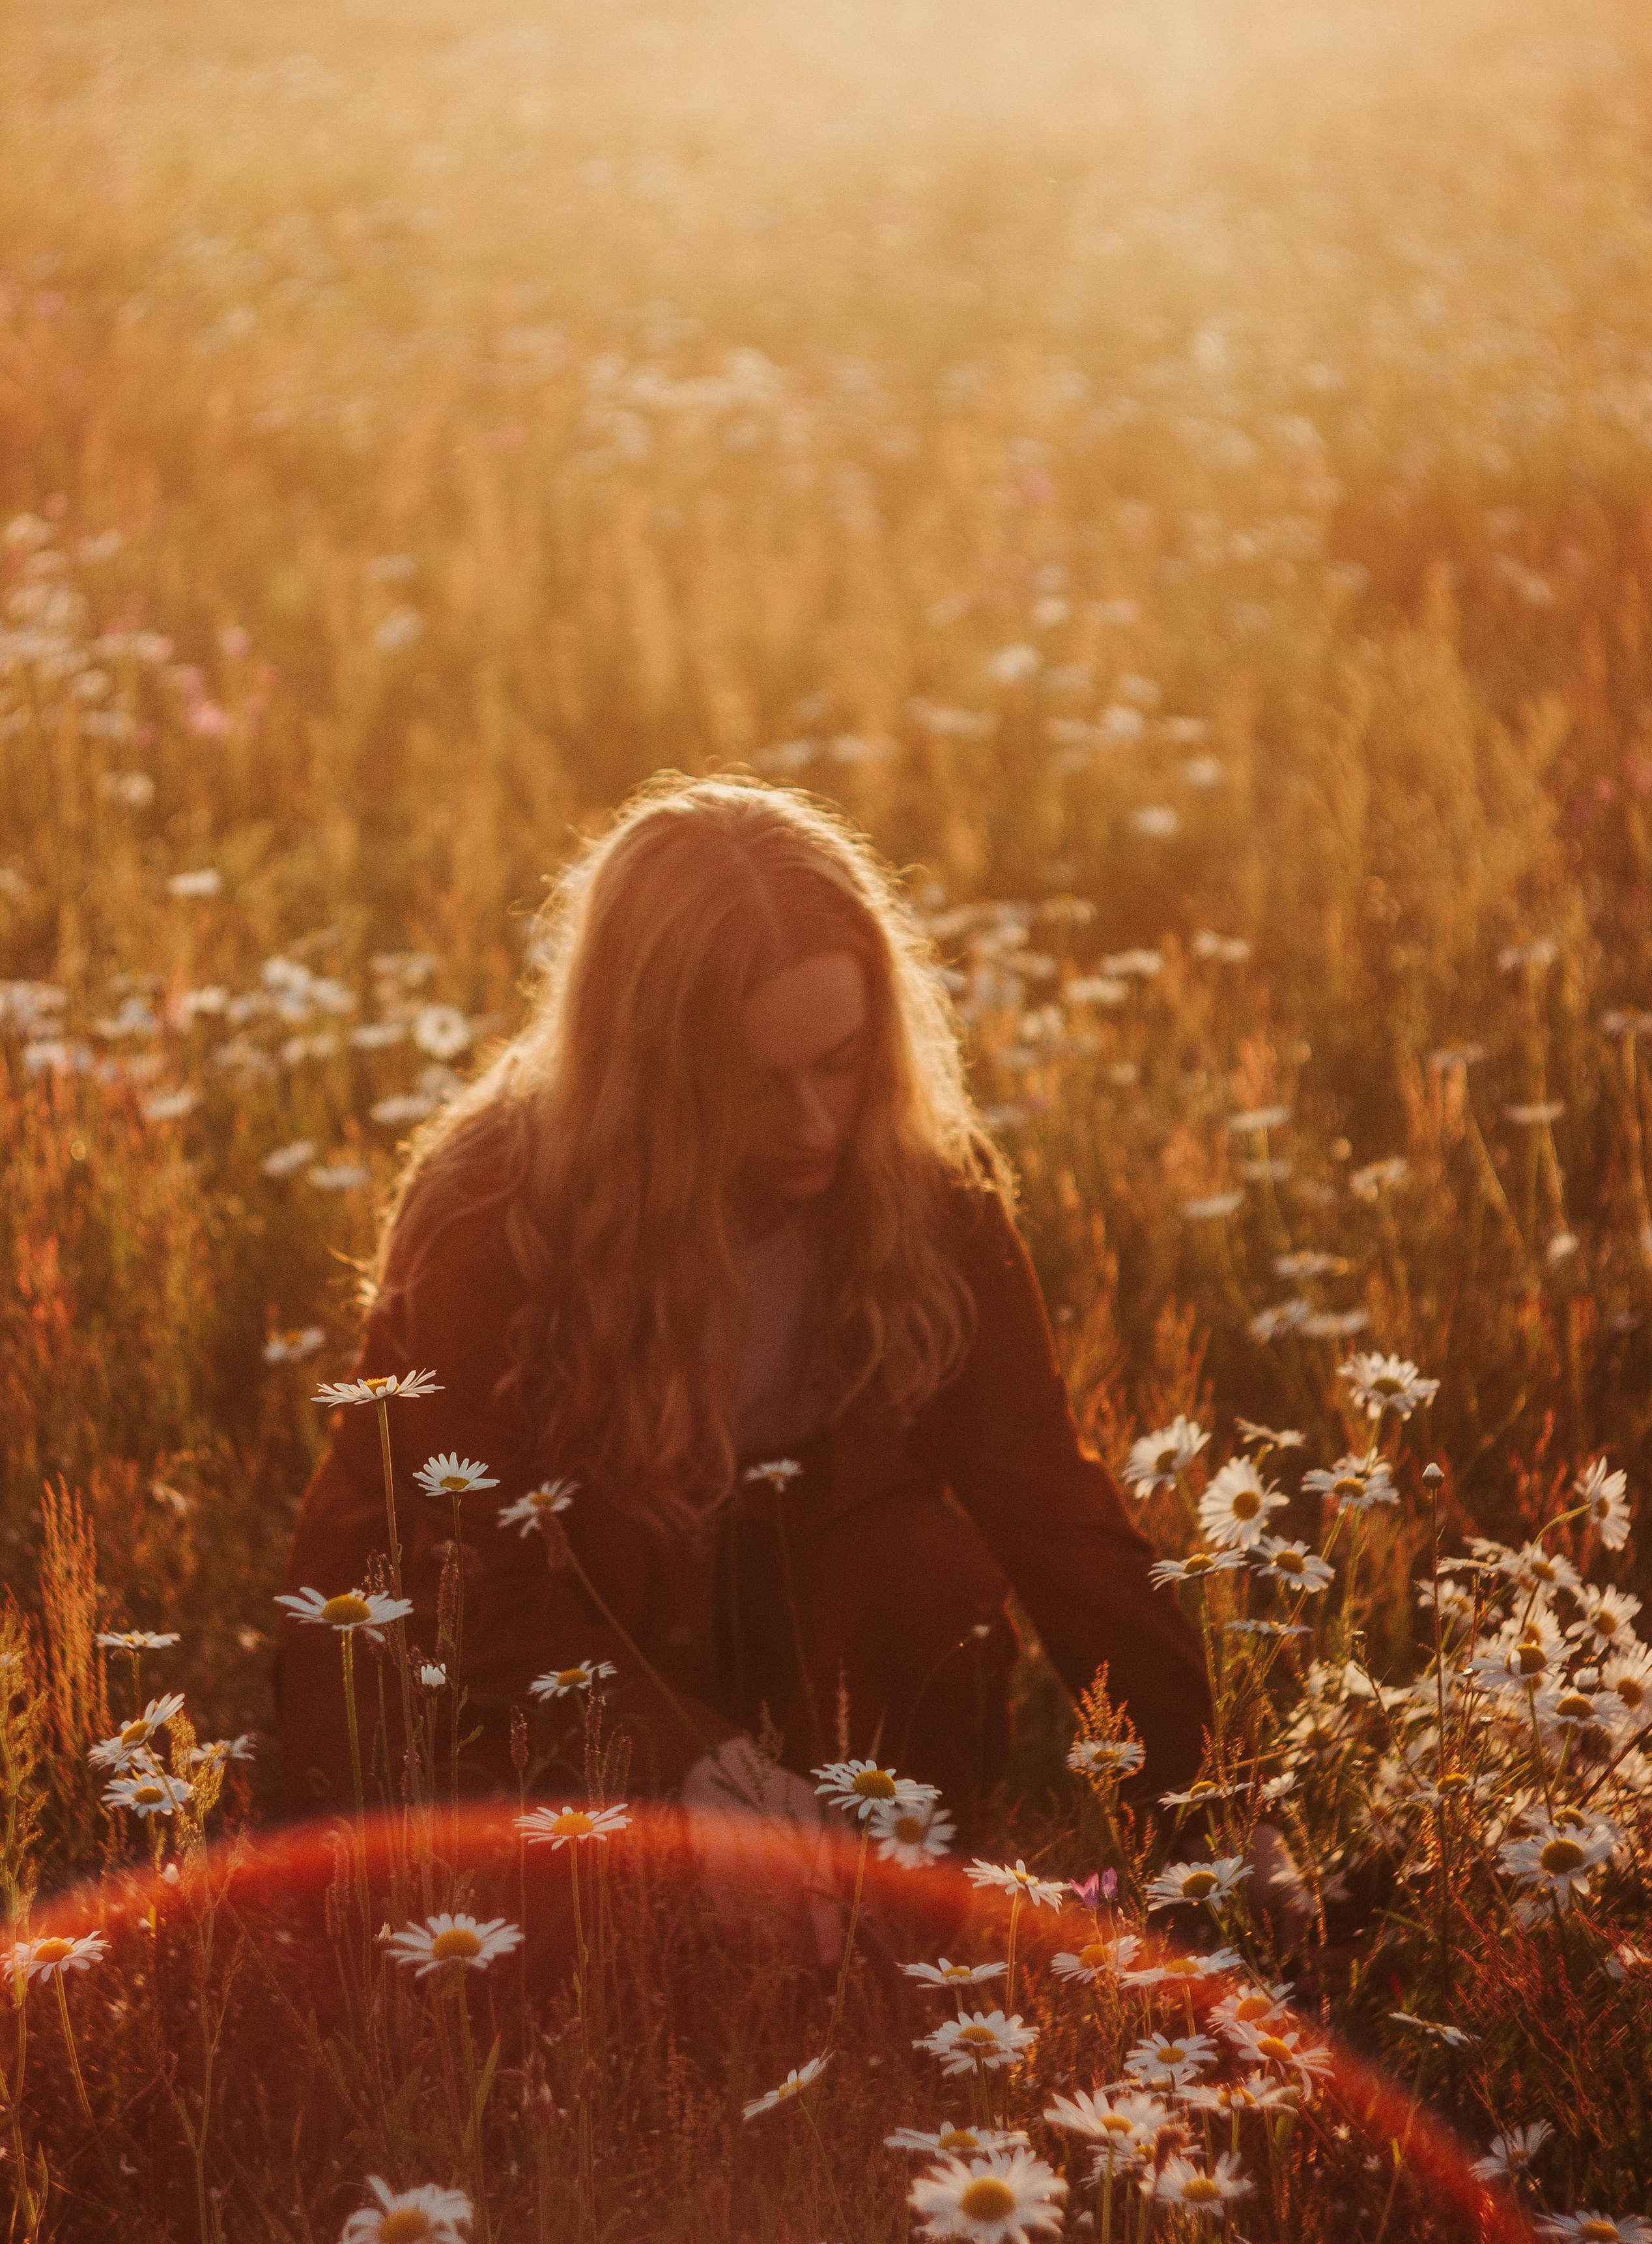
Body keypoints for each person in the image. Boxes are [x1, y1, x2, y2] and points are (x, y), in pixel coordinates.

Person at [276, 775, 1212, 1847]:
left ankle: (882, 1891)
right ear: (650, 1072)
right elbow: (466, 1580)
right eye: (757, 1083)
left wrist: (1213, 1802)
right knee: (520, 1906)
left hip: (751, 1631)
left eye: (841, 1062)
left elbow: (1051, 1509)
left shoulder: (926, 1198)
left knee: (921, 1570)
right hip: (496, 1668)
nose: (814, 1121)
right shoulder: (491, 1217)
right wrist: (691, 1767)